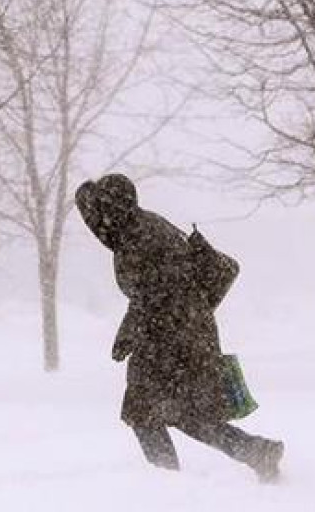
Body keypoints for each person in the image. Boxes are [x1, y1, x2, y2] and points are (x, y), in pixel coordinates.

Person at [75, 173, 284, 483]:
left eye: (104, 212)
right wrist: (85, 195)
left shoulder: (140, 238)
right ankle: (256, 451)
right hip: (183, 332)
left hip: (172, 336)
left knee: (145, 411)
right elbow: (153, 287)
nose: (99, 223)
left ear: (117, 209)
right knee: (188, 414)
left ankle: (167, 486)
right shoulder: (139, 228)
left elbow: (155, 291)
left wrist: (128, 332)